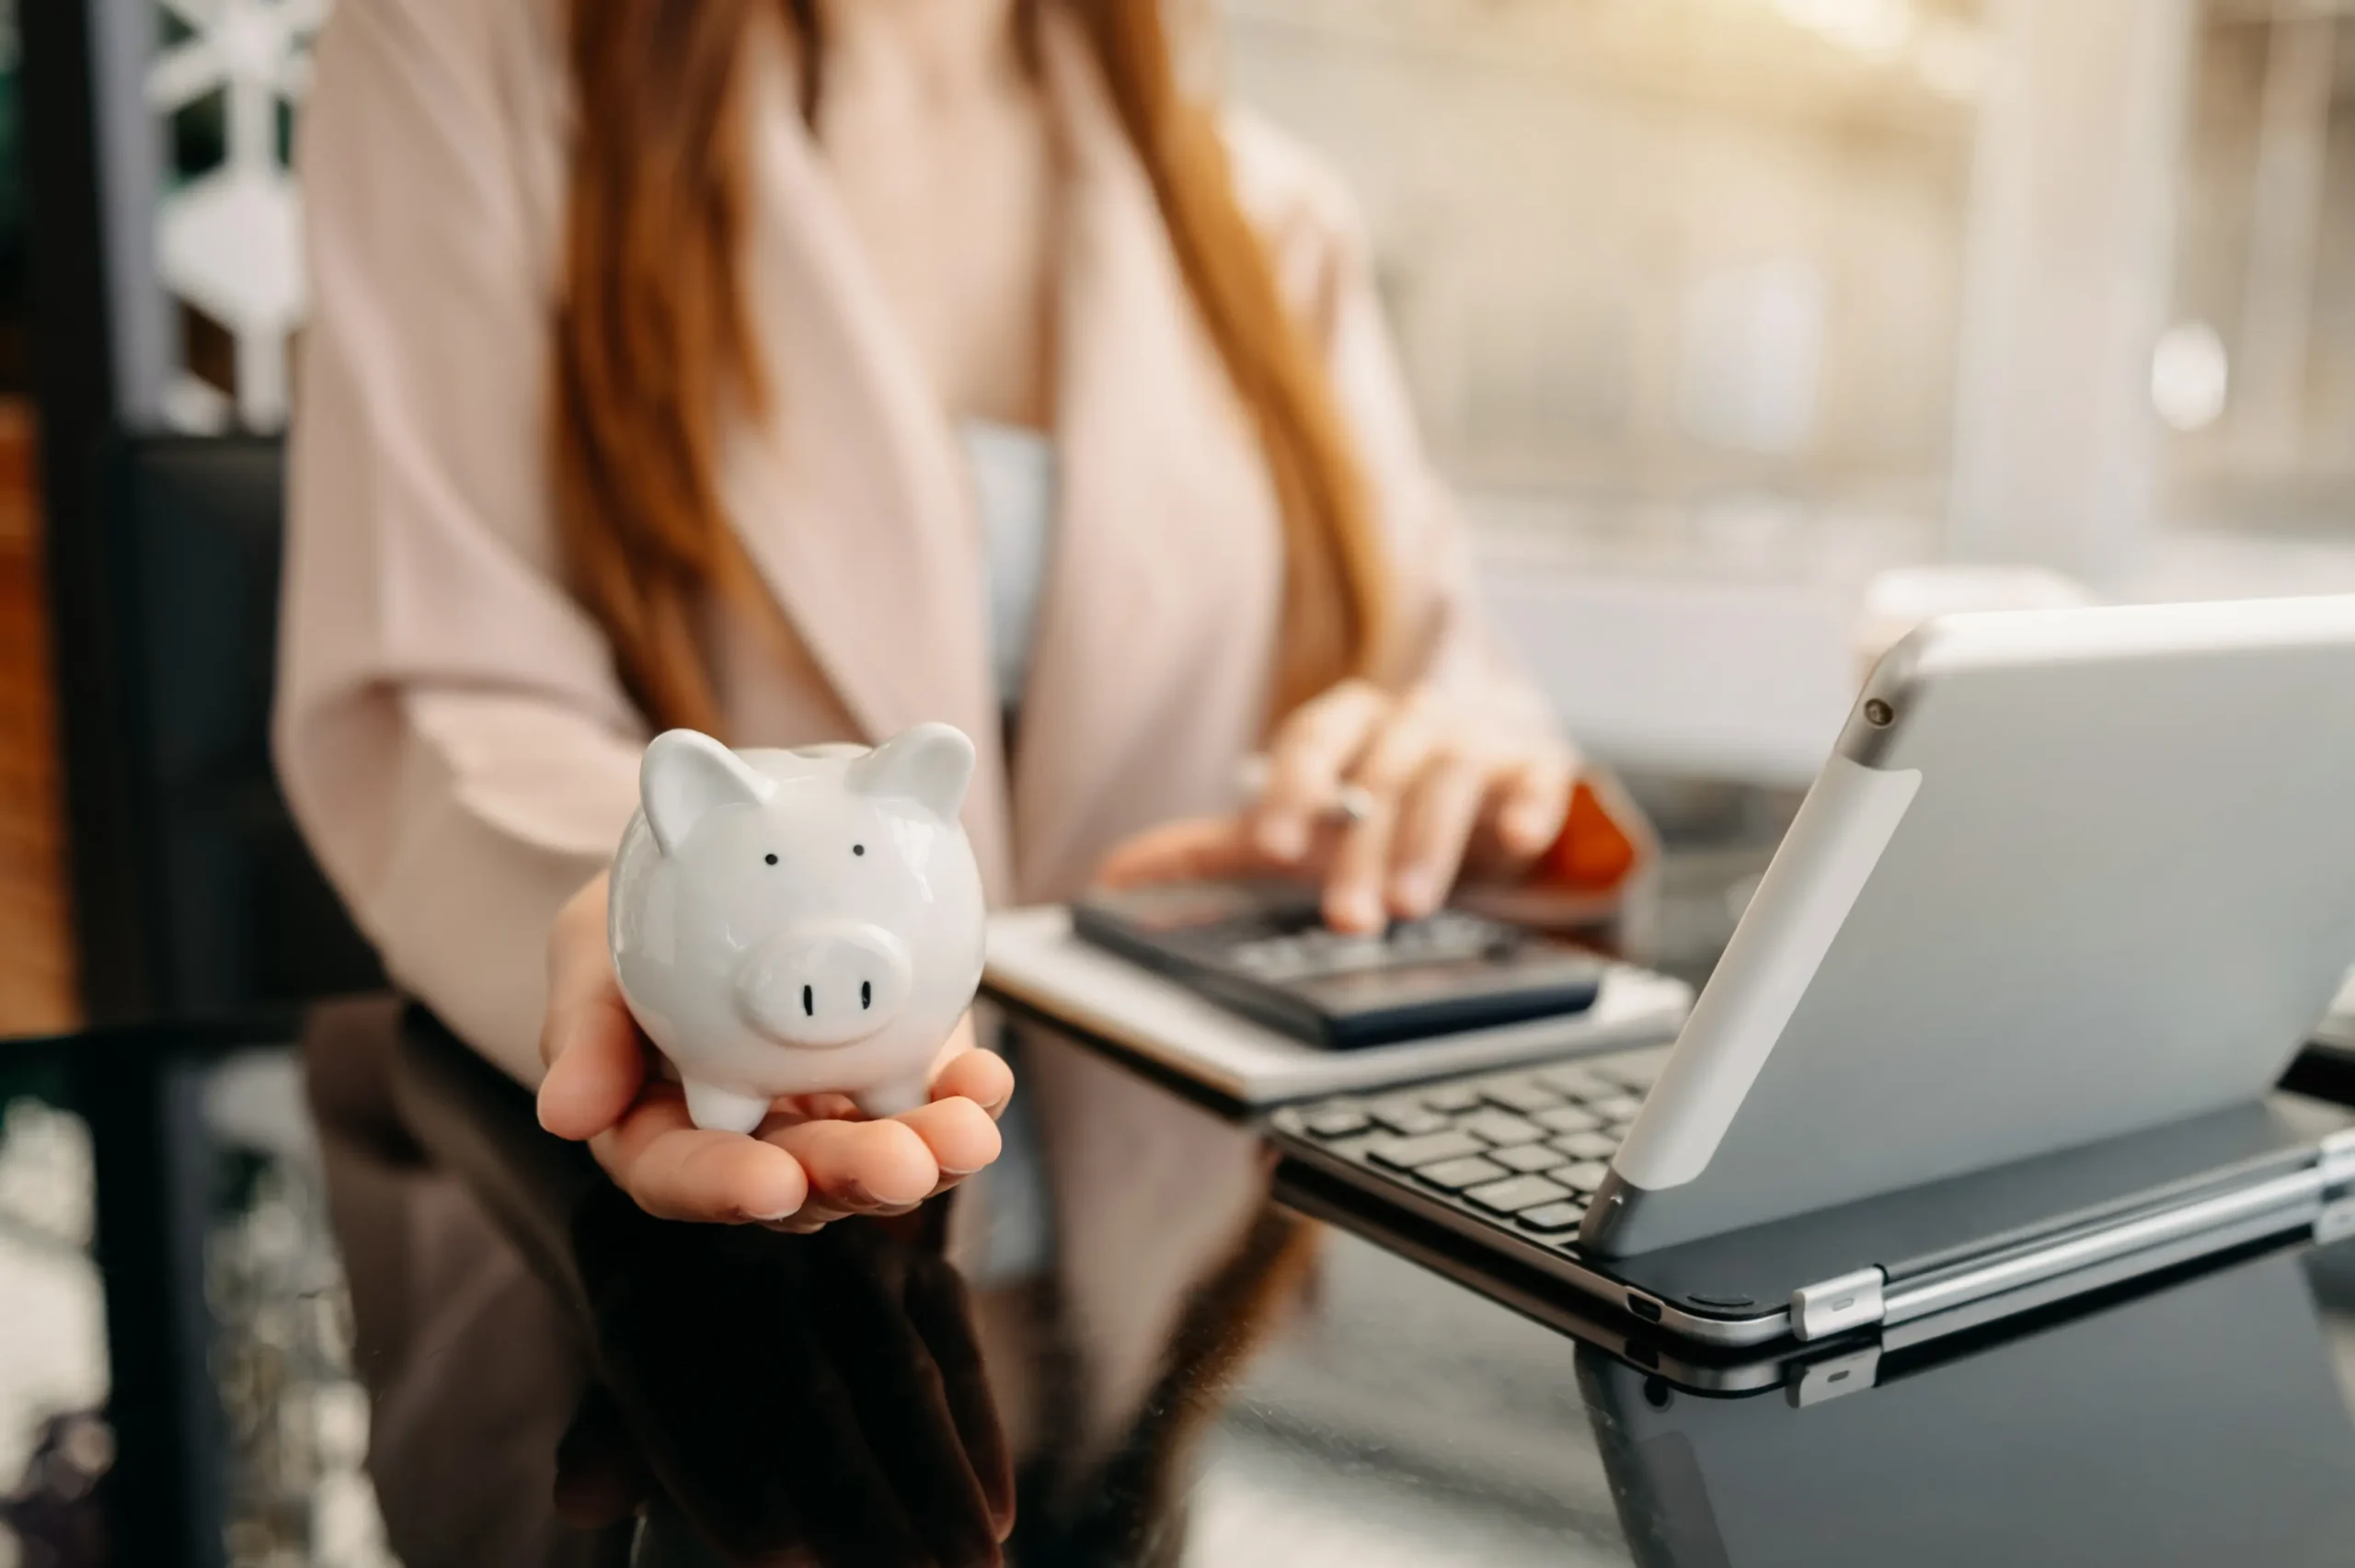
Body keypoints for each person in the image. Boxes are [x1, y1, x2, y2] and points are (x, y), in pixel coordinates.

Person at [274, 0, 1643, 1559]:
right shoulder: (467, 58)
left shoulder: (1259, 204)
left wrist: (1454, 768)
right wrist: (631, 910)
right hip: (642, 1302)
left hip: (1167, 1267)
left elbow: (1437, 669)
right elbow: (446, 666)